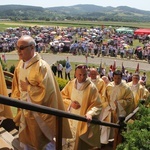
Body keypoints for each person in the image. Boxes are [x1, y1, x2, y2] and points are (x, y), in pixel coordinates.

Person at [11, 35, 72, 150]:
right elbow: (16, 86)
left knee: (41, 140)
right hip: (25, 109)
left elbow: (48, 92)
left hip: (39, 112)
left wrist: (29, 88)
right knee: (26, 137)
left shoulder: (42, 66)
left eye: (22, 47)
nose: (18, 51)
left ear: (32, 47)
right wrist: (18, 97)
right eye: (17, 47)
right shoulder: (20, 64)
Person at [61, 64, 102, 150]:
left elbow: (97, 105)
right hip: (70, 118)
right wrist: (70, 103)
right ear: (75, 74)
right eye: (79, 74)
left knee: (78, 144)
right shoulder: (71, 84)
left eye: (84, 75)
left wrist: (90, 113)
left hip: (81, 120)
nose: (82, 77)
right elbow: (62, 96)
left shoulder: (92, 88)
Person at [100, 70, 134, 145]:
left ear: (121, 78)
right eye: (115, 78)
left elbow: (130, 100)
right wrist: (107, 105)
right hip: (109, 109)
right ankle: (103, 142)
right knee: (106, 125)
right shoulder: (109, 86)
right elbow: (104, 97)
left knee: (118, 128)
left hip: (120, 110)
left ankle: (117, 143)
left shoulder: (126, 88)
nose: (116, 80)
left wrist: (118, 103)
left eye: (118, 78)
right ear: (113, 77)